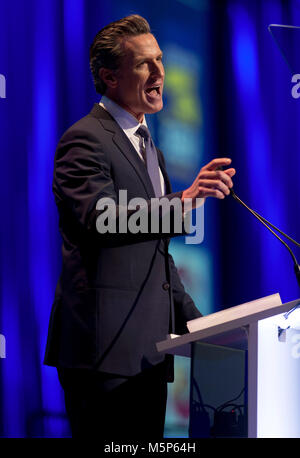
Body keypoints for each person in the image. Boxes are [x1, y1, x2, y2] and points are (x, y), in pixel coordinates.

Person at [44, 14, 235, 439]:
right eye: (144, 63)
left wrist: (209, 333)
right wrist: (182, 201)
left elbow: (157, 262)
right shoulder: (85, 139)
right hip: (103, 356)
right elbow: (100, 218)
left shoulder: (152, 149)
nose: (160, 72)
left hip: (150, 357)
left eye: (160, 60)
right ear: (110, 76)